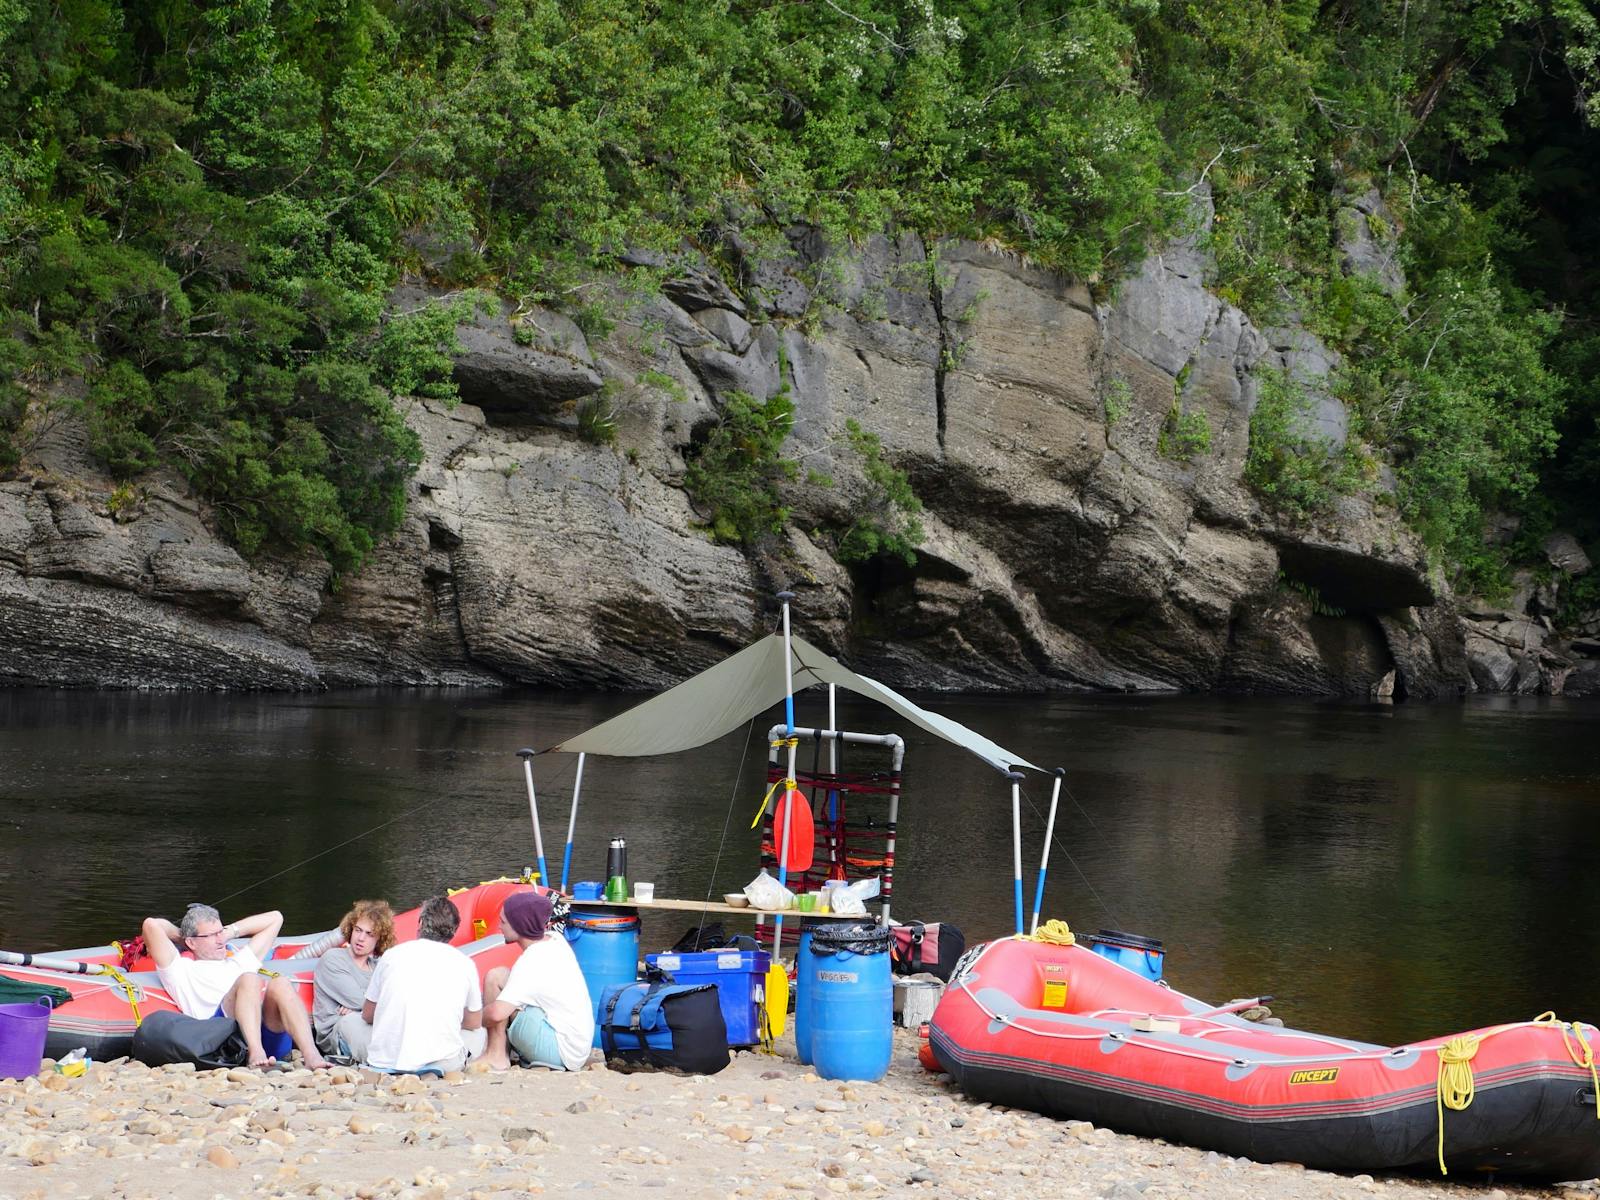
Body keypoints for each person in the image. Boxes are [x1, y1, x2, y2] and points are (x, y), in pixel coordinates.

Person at [142, 903, 329, 1069]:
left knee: (281, 982)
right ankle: (255, 1054)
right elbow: (151, 925)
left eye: (220, 932)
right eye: (211, 935)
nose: (220, 940)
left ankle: (311, 1055)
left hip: (265, 1036)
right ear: (192, 942)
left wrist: (230, 931)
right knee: (249, 978)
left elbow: (275, 918)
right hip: (220, 1041)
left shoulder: (238, 961)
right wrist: (182, 937)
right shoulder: (180, 969)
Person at [338, 895, 485, 1073]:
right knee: (481, 1033)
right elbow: (474, 1022)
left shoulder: (392, 956)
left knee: (347, 1022)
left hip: (387, 1061)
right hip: (443, 1062)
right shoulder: (465, 963)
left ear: (421, 923)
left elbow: (368, 1015)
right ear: (453, 932)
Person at [481, 891, 594, 1072]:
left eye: (503, 922)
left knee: (498, 999)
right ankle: (501, 1051)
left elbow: (495, 1014)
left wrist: (467, 1020)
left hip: (560, 1051)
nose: (499, 927)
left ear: (520, 925)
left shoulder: (532, 960)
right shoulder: (554, 940)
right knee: (497, 976)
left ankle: (496, 1055)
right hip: (576, 1047)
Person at [312, 899, 395, 1057]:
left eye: (369, 934)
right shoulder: (333, 958)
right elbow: (360, 1001)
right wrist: (362, 1007)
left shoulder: (378, 966)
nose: (361, 938)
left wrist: (360, 1009)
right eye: (358, 930)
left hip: (369, 1023)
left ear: (380, 939)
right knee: (352, 1021)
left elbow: (388, 999)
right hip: (337, 1032)